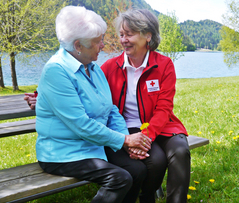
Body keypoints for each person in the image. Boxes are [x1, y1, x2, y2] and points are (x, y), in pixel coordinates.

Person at [33, 6, 151, 203]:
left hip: (94, 145)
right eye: (98, 42)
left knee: (138, 170)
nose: (103, 45)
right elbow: (81, 125)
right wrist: (124, 140)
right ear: (78, 45)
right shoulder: (57, 71)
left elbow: (111, 109)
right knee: (119, 179)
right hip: (63, 153)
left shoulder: (92, 67)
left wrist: (127, 140)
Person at [100, 9, 191, 203]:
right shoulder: (110, 67)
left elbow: (164, 108)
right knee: (156, 160)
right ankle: (146, 196)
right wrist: (41, 95)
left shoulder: (164, 64)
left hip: (162, 124)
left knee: (180, 151)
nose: (124, 40)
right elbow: (82, 84)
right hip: (128, 127)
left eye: (130, 34)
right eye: (122, 34)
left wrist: (147, 137)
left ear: (148, 35)